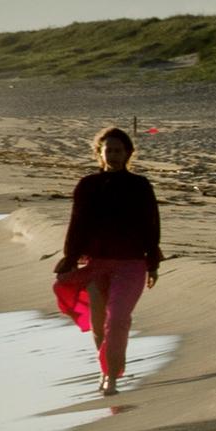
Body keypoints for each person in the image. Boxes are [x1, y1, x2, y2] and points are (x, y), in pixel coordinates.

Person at [53, 126, 163, 396]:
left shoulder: (140, 185)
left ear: (128, 154)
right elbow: (78, 223)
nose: (113, 155)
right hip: (97, 264)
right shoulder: (88, 185)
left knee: (117, 320)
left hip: (131, 264)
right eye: (108, 151)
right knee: (100, 320)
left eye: (118, 150)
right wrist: (69, 257)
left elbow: (151, 225)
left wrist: (153, 262)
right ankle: (105, 370)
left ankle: (112, 377)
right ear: (99, 154)